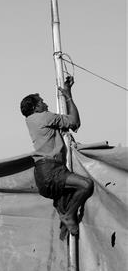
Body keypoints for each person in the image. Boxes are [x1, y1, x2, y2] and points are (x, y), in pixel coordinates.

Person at [20, 75, 93, 238]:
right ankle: (69, 215)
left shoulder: (32, 120)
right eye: (41, 102)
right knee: (86, 185)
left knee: (67, 202)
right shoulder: (45, 116)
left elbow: (63, 123)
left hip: (42, 174)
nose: (45, 104)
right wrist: (68, 96)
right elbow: (74, 122)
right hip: (52, 171)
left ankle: (66, 219)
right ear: (35, 107)